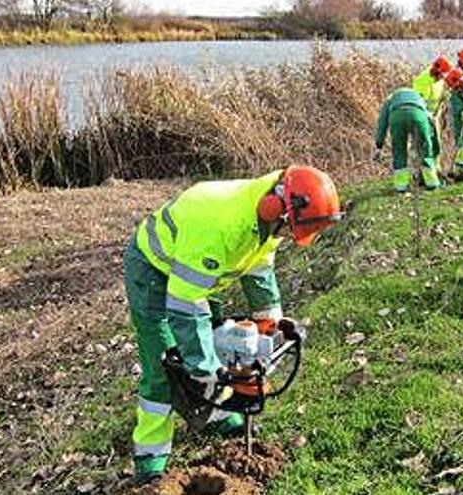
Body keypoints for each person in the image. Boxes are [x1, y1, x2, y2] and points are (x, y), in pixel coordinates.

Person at [124, 165, 342, 483]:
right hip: (154, 270)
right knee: (165, 366)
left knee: (214, 343)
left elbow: (260, 269)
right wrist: (205, 366)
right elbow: (185, 303)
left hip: (200, 273)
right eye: (290, 229)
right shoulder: (226, 225)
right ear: (276, 207)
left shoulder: (269, 219)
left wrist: (270, 325)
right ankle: (150, 461)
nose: (287, 237)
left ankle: (217, 416)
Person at [375, 86, 443, 192]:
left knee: (399, 150)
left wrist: (379, 145)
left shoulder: (390, 99)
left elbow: (382, 123)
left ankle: (401, 186)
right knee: (425, 150)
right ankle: (432, 183)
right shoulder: (419, 97)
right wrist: (435, 148)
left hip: (396, 117)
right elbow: (431, 125)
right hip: (418, 114)